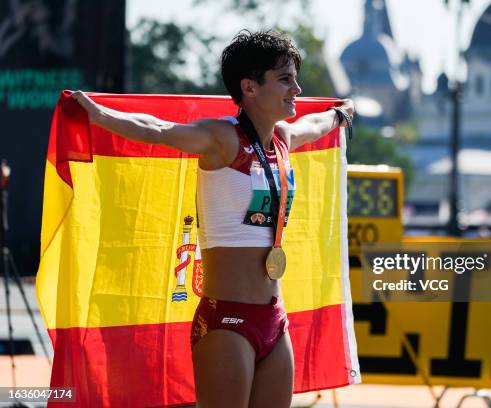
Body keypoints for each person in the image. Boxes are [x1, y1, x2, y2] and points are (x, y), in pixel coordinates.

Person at [72, 29, 353, 408]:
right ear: (249, 88)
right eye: (285, 79)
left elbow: (314, 126)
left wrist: (339, 114)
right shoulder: (222, 139)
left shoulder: (284, 138)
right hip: (227, 322)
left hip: (275, 319)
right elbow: (157, 131)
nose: (297, 89)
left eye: (295, 79)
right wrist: (98, 113)